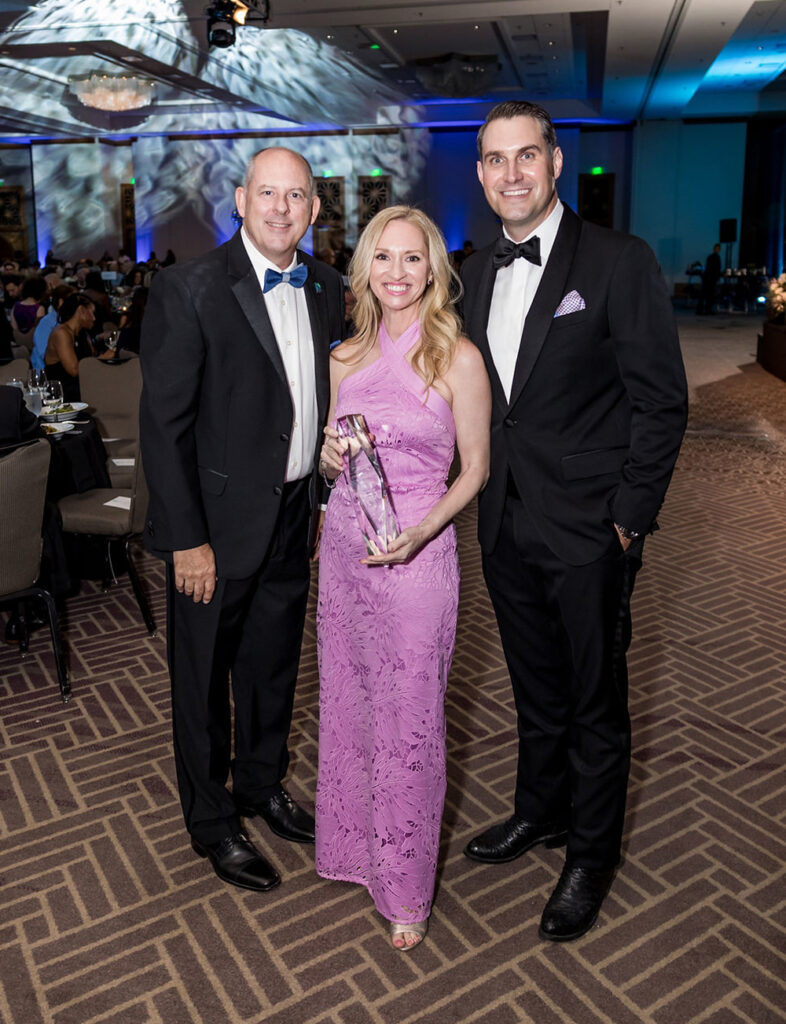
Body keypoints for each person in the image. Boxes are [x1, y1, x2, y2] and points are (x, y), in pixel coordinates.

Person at [460, 101, 688, 941]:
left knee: (596, 702)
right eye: (495, 160)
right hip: (504, 521)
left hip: (592, 529)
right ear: (480, 173)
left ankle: (591, 853)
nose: (511, 174)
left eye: (527, 157)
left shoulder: (619, 261)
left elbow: (662, 401)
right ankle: (539, 810)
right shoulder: (474, 270)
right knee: (536, 690)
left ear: (555, 163)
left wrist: (629, 519)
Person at [140, 147, 345, 894]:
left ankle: (260, 786)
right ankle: (212, 821)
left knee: (272, 668)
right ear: (240, 198)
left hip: (292, 513)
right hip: (213, 529)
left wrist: (320, 501)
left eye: (296, 196)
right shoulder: (189, 289)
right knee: (201, 682)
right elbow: (163, 429)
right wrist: (186, 539)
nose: (281, 208)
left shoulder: (325, 286)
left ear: (315, 209)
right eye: (268, 193)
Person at [315, 206, 491, 951]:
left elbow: (476, 468)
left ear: (433, 269)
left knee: (410, 722)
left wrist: (425, 529)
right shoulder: (344, 358)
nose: (396, 273)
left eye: (411, 259)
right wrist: (327, 461)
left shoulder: (459, 358)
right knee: (351, 705)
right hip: (346, 556)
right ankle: (356, 855)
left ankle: (407, 888)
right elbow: (336, 456)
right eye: (382, 258)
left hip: (420, 557)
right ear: (364, 269)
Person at [44, 293, 96, 402]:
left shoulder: (82, 334)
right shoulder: (61, 333)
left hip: (82, 389)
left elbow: (93, 359)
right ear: (81, 310)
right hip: (62, 395)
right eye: (92, 312)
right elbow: (74, 370)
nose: (94, 318)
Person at [31, 284, 75, 371]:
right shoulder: (46, 323)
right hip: (47, 372)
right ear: (61, 302)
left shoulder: (70, 321)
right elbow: (45, 355)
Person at [697, 243, 722, 315]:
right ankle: (703, 309)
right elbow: (711, 268)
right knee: (706, 295)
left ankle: (705, 309)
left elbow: (716, 269)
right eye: (716, 248)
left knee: (708, 295)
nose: (717, 250)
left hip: (710, 278)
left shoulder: (716, 257)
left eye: (718, 248)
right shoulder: (712, 257)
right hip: (709, 279)